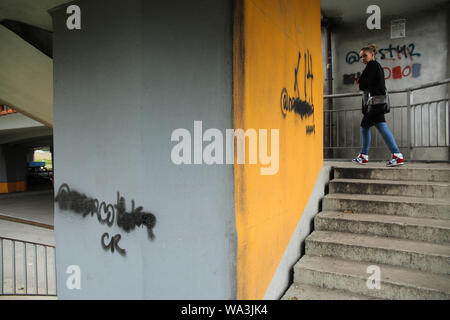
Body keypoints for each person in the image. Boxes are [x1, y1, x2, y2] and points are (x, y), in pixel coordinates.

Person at [352, 44, 404, 167]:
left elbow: (363, 84)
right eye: (361, 57)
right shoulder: (376, 66)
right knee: (373, 127)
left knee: (369, 127)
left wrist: (361, 81)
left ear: (372, 54)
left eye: (365, 56)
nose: (362, 59)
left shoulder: (372, 65)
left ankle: (396, 155)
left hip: (375, 103)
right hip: (377, 103)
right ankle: (365, 156)